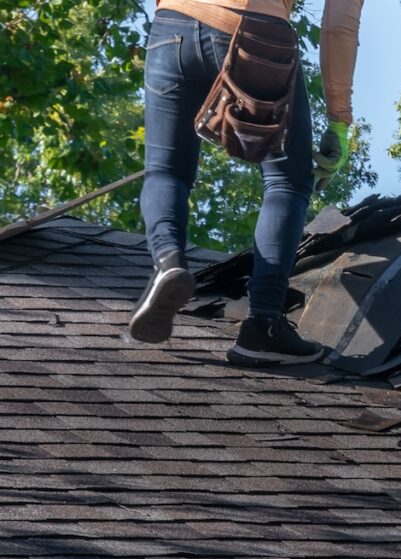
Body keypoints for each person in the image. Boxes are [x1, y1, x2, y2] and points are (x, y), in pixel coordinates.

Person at [128, 0, 364, 363]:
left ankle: (167, 261)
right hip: (257, 30)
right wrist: (338, 120)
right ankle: (263, 324)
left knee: (166, 170)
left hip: (170, 25)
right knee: (288, 180)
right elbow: (339, 25)